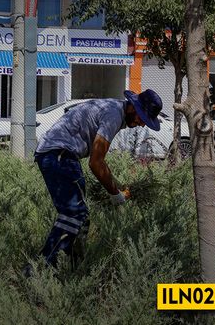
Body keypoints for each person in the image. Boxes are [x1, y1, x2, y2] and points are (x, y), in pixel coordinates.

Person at [26, 89, 163, 274]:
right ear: (133, 108)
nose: (140, 124)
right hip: (59, 154)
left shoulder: (112, 109)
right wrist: (115, 194)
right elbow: (96, 162)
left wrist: (116, 186)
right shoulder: (114, 115)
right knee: (75, 215)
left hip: (58, 154)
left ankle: (74, 271)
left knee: (81, 218)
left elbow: (99, 163)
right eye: (141, 118)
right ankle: (39, 271)